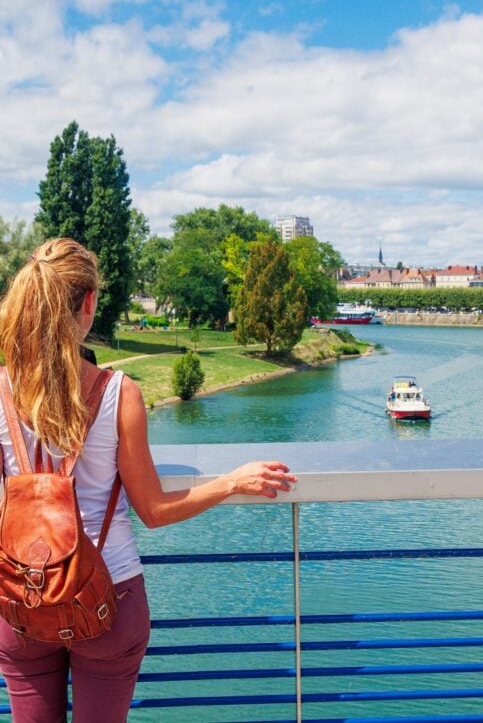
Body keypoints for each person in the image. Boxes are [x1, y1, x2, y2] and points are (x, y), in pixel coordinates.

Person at [0, 237, 296, 723]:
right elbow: (154, 511)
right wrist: (230, 482)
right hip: (107, 598)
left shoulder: (4, 390)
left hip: (22, 596)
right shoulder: (118, 393)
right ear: (88, 304)